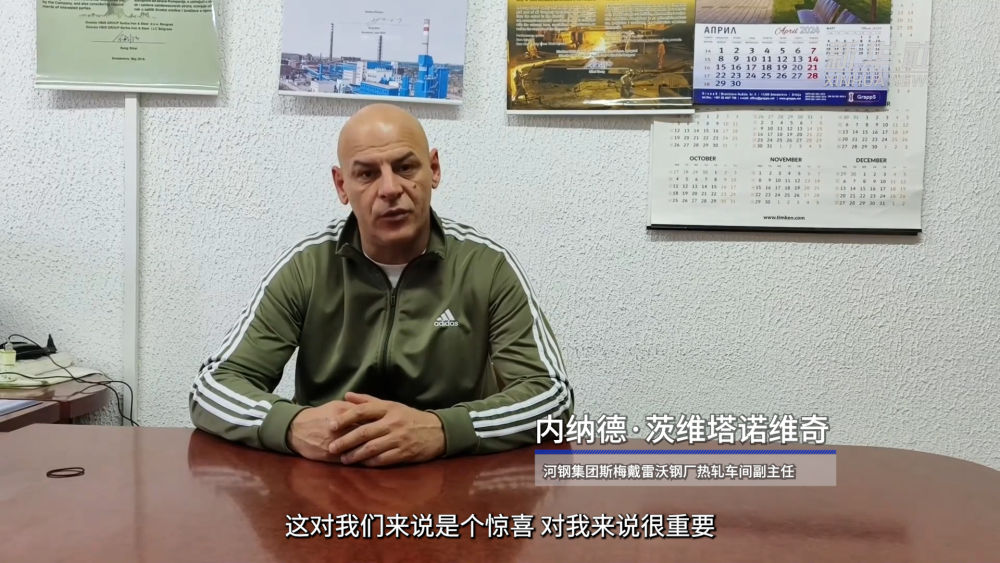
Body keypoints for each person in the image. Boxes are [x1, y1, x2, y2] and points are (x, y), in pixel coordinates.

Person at [189, 104, 573, 467]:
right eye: (367, 174)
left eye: (405, 167)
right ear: (342, 185)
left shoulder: (486, 267)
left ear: (433, 170)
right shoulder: (308, 267)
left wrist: (442, 430)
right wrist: (291, 425)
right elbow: (211, 388)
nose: (390, 188)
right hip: (327, 479)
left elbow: (551, 395)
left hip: (451, 477)